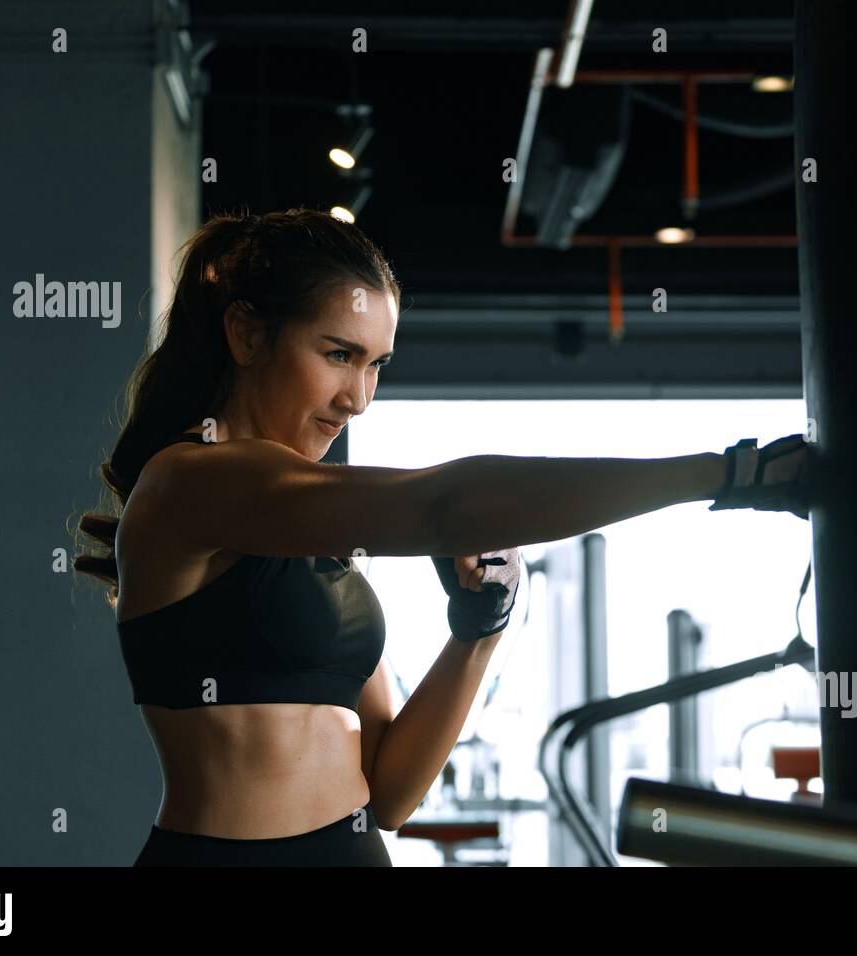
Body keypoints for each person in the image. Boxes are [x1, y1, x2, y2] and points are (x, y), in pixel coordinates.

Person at [73, 207, 810, 866]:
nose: (356, 398)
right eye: (337, 355)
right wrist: (730, 473)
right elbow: (442, 506)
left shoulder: (314, 533)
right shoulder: (186, 482)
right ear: (246, 333)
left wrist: (476, 631)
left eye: (376, 366)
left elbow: (390, 793)